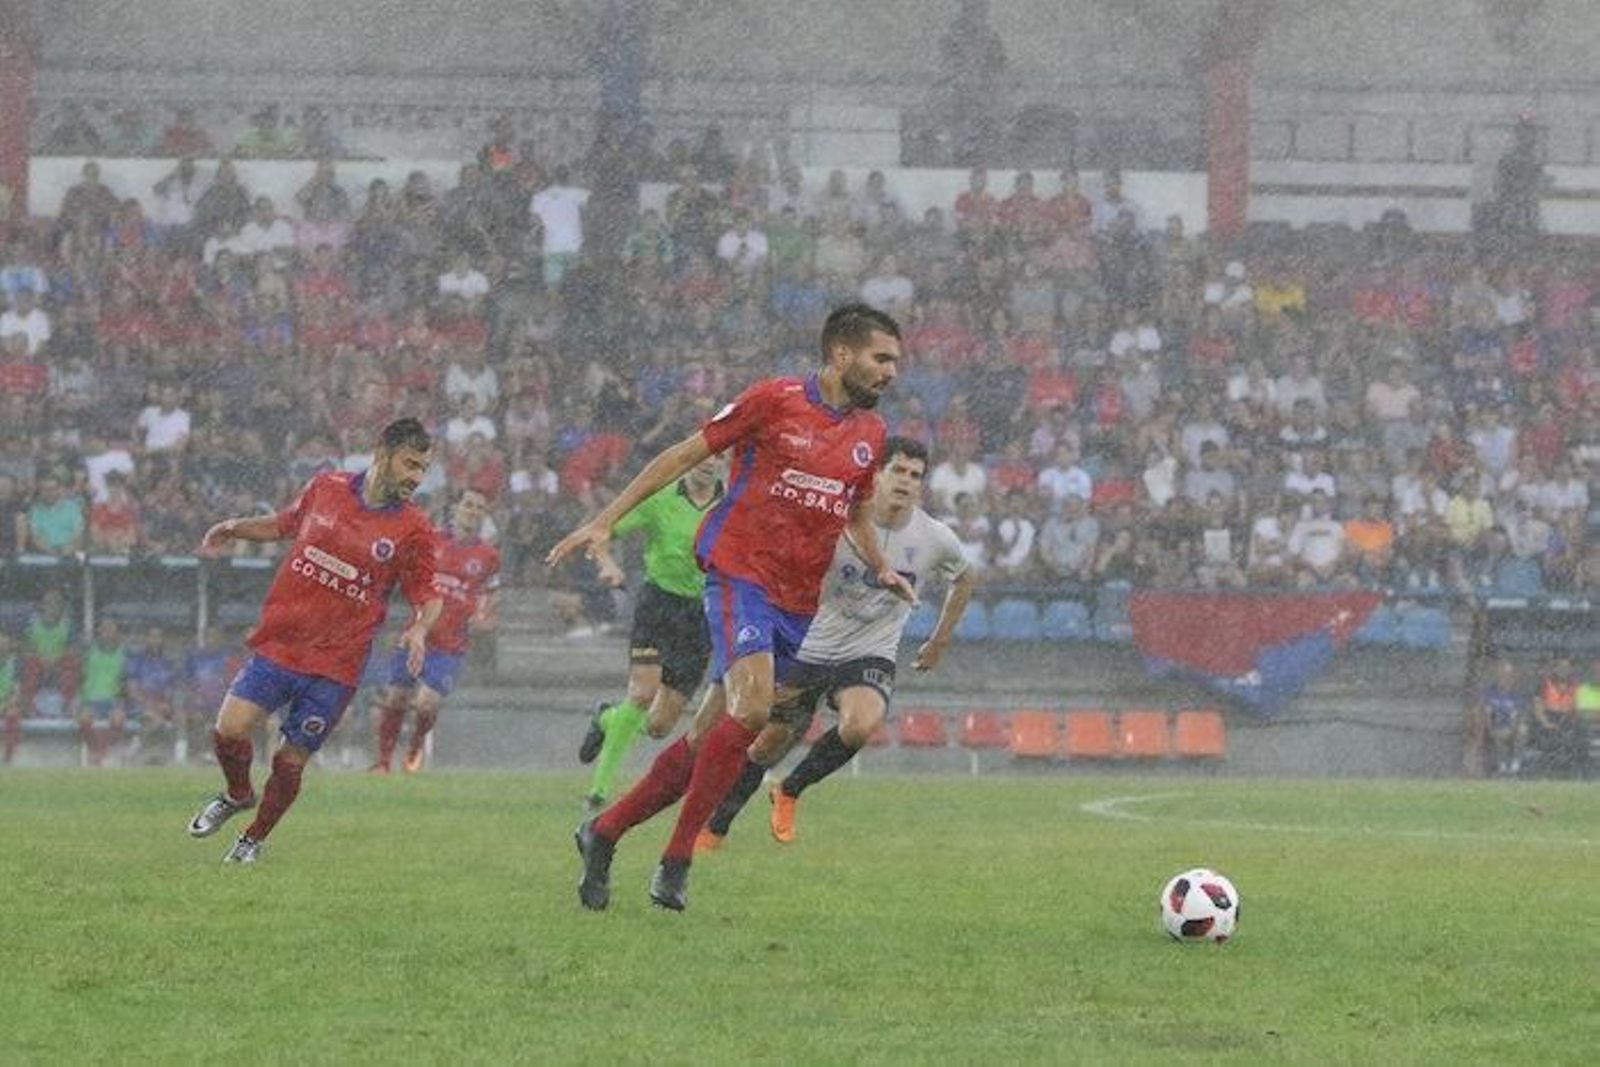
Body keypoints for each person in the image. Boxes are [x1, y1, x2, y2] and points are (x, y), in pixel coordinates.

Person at [548, 303, 911, 911]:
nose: (892, 372)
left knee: (710, 738)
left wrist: (878, 564)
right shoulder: (775, 400)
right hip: (739, 574)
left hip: (798, 600)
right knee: (756, 706)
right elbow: (683, 456)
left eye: (896, 362)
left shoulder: (870, 435)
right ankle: (677, 859)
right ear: (842, 355)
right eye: (882, 359)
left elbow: (852, 508)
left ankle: (603, 832)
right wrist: (605, 520)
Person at [186, 418, 443, 863]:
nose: (416, 477)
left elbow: (427, 593)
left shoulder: (413, 529)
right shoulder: (327, 486)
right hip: (282, 643)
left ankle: (253, 838)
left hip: (336, 665)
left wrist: (420, 627)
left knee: (289, 761)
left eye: (423, 469)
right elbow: (284, 524)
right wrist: (233, 527)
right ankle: (238, 793)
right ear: (382, 450)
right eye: (410, 464)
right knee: (228, 730)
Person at [698, 437, 974, 849]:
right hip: (809, 642)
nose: (906, 481)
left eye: (915, 475)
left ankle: (790, 789)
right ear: (875, 475)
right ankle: (717, 824)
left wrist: (940, 640)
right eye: (897, 470)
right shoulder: (837, 523)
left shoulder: (935, 537)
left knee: (860, 725)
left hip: (870, 649)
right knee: (768, 742)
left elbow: (965, 578)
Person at [576, 455, 724, 812]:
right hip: (658, 604)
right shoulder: (659, 498)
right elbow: (600, 533)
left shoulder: (733, 505)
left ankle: (607, 717)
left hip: (699, 615)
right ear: (689, 460)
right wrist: (608, 564)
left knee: (659, 725)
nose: (708, 462)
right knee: (642, 693)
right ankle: (598, 791)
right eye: (703, 455)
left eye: (718, 456)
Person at [370, 487, 500, 774]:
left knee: (426, 703)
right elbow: (404, 575)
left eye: (480, 507)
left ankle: (415, 748)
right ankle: (383, 762)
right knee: (396, 698)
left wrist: (485, 614)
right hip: (416, 635)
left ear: (484, 515)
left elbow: (491, 594)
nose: (473, 511)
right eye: (468, 504)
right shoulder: (431, 540)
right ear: (456, 508)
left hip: (450, 644)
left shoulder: (488, 555)